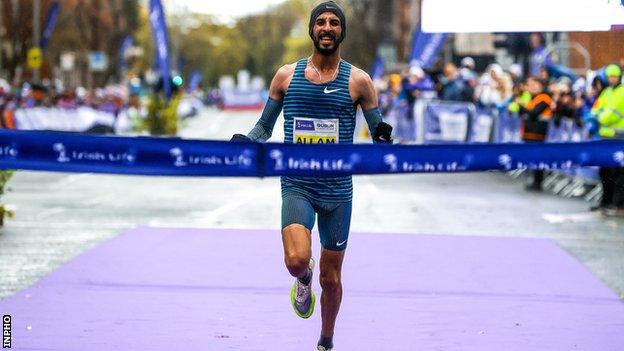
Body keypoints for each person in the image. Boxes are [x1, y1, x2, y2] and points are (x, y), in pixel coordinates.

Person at [230, 2, 393, 350]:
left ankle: (326, 341)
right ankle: (302, 279)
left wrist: (383, 135)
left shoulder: (359, 81)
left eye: (335, 23)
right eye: (321, 22)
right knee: (296, 260)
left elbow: (378, 129)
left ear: (341, 32)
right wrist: (246, 141)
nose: (328, 27)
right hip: (297, 184)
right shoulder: (286, 76)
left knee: (331, 279)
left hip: (337, 192)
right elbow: (263, 127)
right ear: (313, 30)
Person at [514, 76, 553, 191]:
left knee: (539, 158)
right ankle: (534, 180)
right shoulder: (532, 98)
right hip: (529, 133)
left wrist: (521, 105)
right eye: (530, 85)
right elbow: (523, 113)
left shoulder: (544, 97)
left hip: (538, 133)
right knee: (533, 158)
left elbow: (534, 113)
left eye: (535, 85)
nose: (532, 88)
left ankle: (538, 182)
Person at [597, 64, 624, 217]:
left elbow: (610, 113)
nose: (612, 79)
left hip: (618, 137)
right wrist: (597, 115)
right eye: (610, 76)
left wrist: (599, 118)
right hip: (605, 136)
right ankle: (605, 201)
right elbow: (597, 107)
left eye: (614, 76)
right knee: (604, 171)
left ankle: (617, 202)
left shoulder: (622, 92)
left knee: (617, 172)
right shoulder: (606, 91)